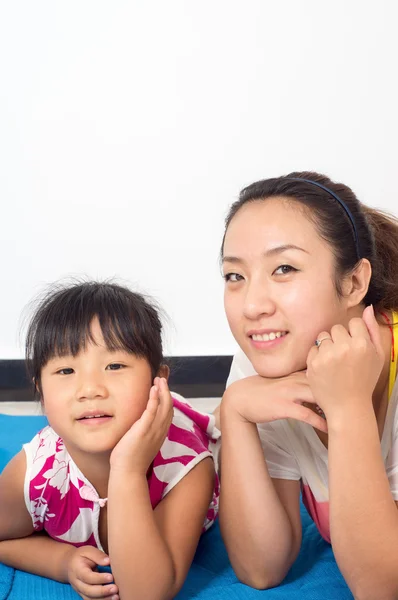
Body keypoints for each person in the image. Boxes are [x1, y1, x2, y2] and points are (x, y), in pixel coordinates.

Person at [217, 172, 398, 599]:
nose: (253, 306)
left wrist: (348, 406)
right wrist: (235, 411)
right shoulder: (264, 363)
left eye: (284, 268)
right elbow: (261, 568)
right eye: (234, 276)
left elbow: (381, 588)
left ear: (354, 282)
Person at [0, 281, 219, 600]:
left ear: (157, 382)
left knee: (226, 428)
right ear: (42, 394)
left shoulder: (185, 467)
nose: (90, 388)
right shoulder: (36, 472)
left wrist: (128, 470)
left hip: (180, 432)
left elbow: (146, 593)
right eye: (65, 370)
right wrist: (59, 561)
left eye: (114, 366)